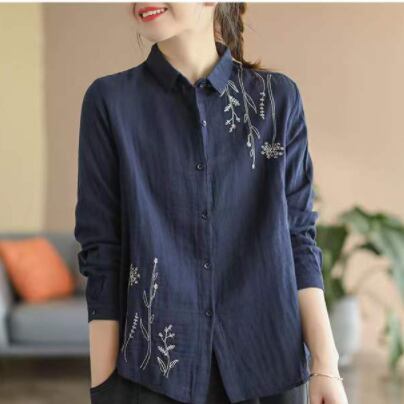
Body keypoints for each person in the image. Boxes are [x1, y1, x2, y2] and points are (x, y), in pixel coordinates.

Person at [74, 2, 349, 404]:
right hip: (151, 377)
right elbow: (103, 253)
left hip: (269, 368)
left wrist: (325, 365)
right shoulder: (110, 102)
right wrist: (104, 388)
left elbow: (298, 238)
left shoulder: (277, 100)